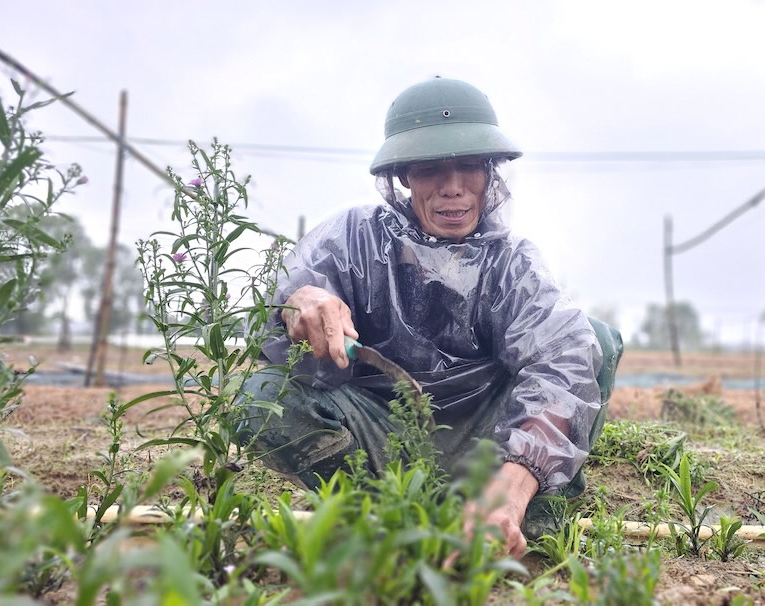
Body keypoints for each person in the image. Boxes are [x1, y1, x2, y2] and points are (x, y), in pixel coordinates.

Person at [241, 77, 623, 557]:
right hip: (382, 435)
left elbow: (560, 360)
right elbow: (286, 349)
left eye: (469, 167)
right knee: (260, 399)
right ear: (403, 176)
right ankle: (379, 517)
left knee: (593, 341)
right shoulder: (351, 241)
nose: (453, 188)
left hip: (492, 439)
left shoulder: (511, 263)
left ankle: (525, 514)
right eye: (430, 170)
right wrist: (297, 308)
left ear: (490, 172)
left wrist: (514, 482)